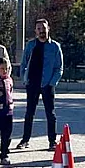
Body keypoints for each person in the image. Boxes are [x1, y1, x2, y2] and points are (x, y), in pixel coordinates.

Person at [17, 19, 63, 150]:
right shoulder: (31, 45)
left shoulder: (55, 47)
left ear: (48, 29)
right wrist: (25, 79)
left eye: (43, 28)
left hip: (48, 84)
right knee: (29, 113)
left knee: (50, 113)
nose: (41, 31)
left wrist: (52, 83)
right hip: (32, 83)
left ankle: (52, 141)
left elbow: (59, 68)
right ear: (35, 31)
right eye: (38, 29)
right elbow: (24, 64)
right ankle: (25, 140)